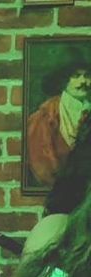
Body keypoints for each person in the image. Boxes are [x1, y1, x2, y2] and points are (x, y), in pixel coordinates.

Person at [26, 54, 91, 189]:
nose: (83, 81)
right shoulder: (43, 117)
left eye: (87, 76)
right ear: (63, 80)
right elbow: (41, 166)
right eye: (76, 76)